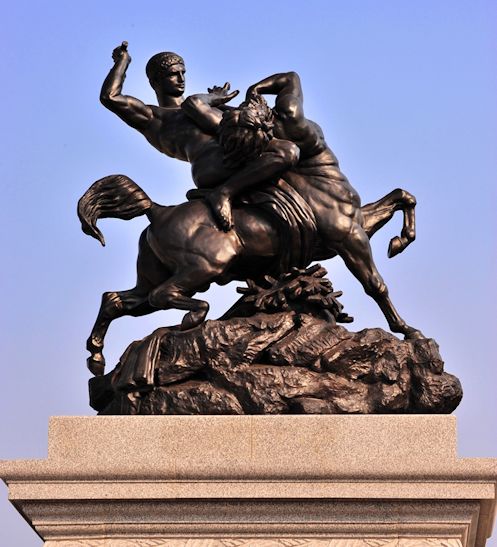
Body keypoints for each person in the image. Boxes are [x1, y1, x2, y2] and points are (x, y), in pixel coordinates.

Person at [100, 42, 300, 230]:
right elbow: (110, 97)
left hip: (239, 154)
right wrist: (122, 61)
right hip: (212, 165)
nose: (181, 79)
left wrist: (217, 103)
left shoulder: (207, 105)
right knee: (287, 152)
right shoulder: (153, 117)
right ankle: (224, 193)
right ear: (155, 82)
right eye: (173, 74)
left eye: (183, 73)